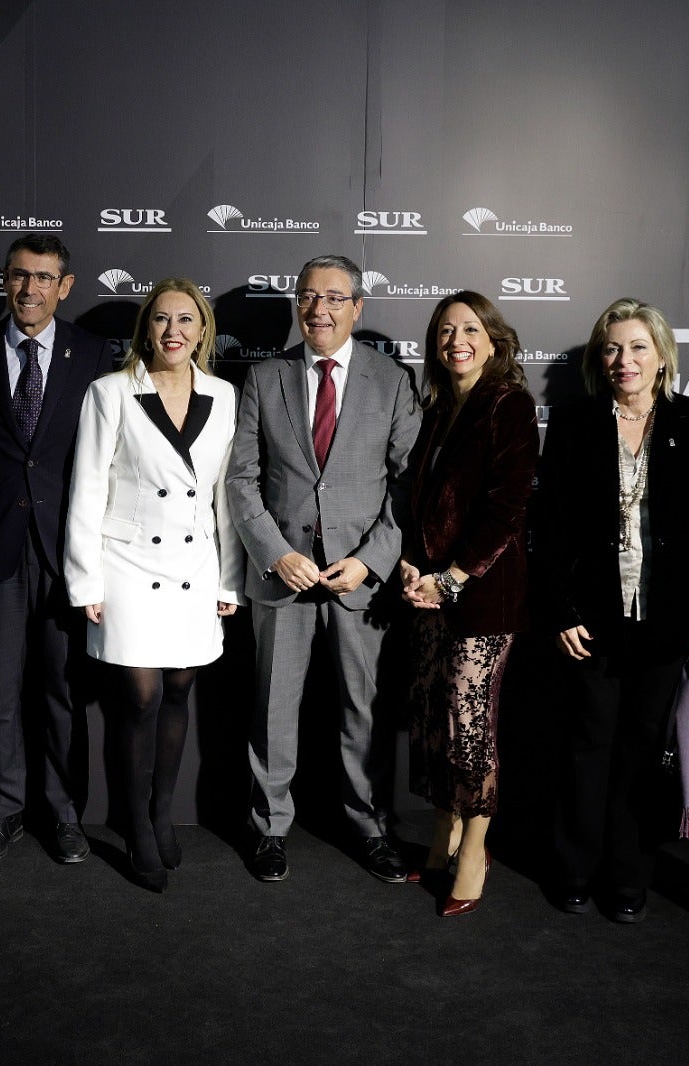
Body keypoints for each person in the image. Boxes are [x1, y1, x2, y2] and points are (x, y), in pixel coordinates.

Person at [226, 255, 419, 884]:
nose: (319, 309)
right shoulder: (265, 378)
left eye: (334, 298)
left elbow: (408, 485)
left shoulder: (392, 381)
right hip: (283, 576)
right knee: (272, 710)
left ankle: (370, 827)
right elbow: (242, 478)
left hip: (359, 582)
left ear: (357, 307)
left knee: (364, 712)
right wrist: (275, 553)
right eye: (308, 297)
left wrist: (369, 562)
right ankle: (269, 829)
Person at [534, 299, 689, 922]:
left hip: (667, 622)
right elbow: (550, 529)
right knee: (587, 743)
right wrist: (561, 611)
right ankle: (574, 869)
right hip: (591, 620)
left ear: (662, 354)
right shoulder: (575, 422)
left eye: (639, 346)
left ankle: (628, 876)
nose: (625, 359)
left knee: (643, 750)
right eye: (613, 348)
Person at [65, 278, 242, 891]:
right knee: (140, 696)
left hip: (195, 567)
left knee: (180, 689)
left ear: (202, 330)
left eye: (186, 319)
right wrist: (85, 580)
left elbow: (226, 498)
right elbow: (88, 487)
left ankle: (163, 813)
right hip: (128, 564)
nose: (173, 331)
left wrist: (230, 581)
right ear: (146, 328)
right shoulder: (111, 392)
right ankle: (136, 823)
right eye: (162, 319)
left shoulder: (223, 395)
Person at [0, 235, 114, 866]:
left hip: (65, 549)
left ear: (65, 286)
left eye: (44, 278)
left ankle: (64, 814)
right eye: (20, 276)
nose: (30, 289)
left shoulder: (94, 354)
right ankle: (2, 811)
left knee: (62, 693)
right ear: (6, 281)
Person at [402, 291, 537, 916]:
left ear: (493, 339)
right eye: (445, 331)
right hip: (429, 593)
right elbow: (421, 503)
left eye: (470, 329)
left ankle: (476, 850)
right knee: (433, 719)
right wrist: (412, 562)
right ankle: (443, 833)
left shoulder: (508, 403)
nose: (457, 340)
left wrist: (452, 578)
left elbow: (507, 510)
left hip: (483, 596)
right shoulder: (438, 409)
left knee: (468, 723)